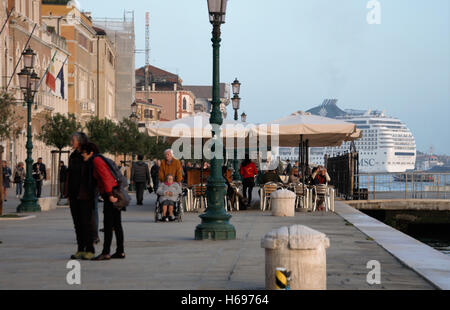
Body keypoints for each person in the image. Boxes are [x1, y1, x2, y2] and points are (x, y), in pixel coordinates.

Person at [80, 142, 125, 261]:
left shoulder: (96, 161)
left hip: (110, 194)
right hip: (113, 192)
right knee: (117, 224)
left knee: (109, 224)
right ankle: (120, 251)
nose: (82, 155)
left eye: (83, 153)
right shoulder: (99, 159)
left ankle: (106, 252)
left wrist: (110, 195)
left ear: (90, 152)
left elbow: (106, 177)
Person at [64, 132, 97, 260]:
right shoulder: (73, 155)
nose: (71, 142)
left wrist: (91, 191)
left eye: (73, 140)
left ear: (80, 141)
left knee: (86, 222)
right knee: (77, 223)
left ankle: (90, 249)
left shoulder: (87, 154)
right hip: (74, 194)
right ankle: (80, 248)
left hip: (85, 194)